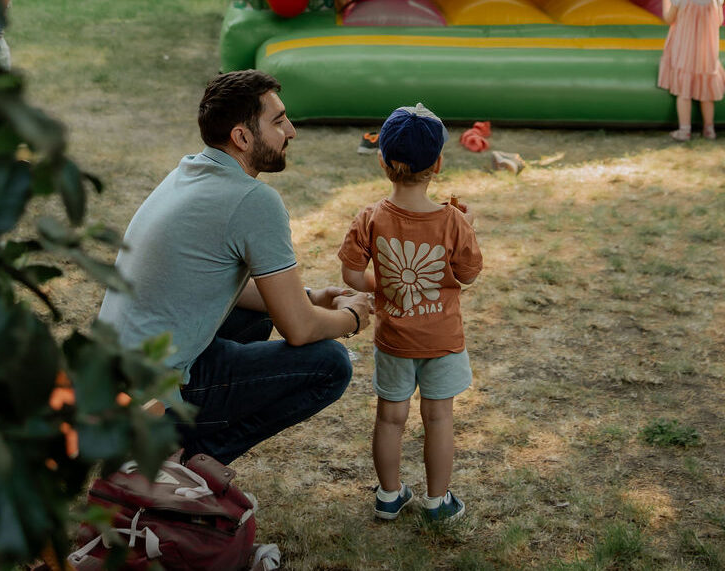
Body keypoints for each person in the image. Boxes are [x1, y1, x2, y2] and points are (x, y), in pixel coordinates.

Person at [97, 69, 372, 464]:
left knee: (258, 319)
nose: (291, 131)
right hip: (153, 397)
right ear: (242, 138)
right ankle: (189, 461)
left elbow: (210, 280)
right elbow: (301, 329)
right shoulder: (253, 201)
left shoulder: (188, 171)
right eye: (278, 122)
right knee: (330, 364)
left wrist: (308, 296)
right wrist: (352, 318)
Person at [338, 103, 483, 525]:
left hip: (394, 341)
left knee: (389, 417)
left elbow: (351, 273)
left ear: (382, 160)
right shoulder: (453, 221)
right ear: (437, 164)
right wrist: (468, 226)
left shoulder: (370, 217)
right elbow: (469, 274)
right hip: (442, 341)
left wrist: (384, 285)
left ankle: (388, 496)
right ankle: (438, 504)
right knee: (438, 418)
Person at [657, 0, 725, 141]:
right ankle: (709, 129)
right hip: (707, 55)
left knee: (684, 93)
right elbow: (720, 21)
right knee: (706, 94)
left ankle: (684, 130)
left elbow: (669, 19)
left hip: (685, 53)